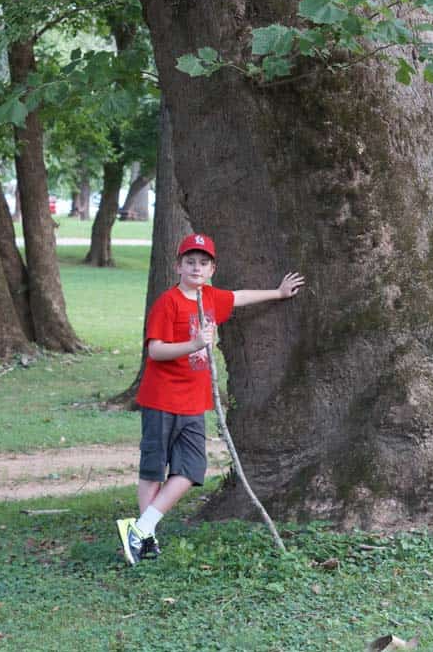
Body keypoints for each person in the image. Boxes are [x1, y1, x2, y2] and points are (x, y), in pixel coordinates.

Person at [116, 232, 304, 565]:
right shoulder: (168, 302)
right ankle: (145, 540)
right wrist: (193, 344)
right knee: (153, 470)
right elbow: (155, 351)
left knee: (190, 469)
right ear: (178, 266)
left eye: (203, 263)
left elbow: (240, 296)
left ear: (212, 269)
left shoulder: (212, 298)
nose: (196, 268)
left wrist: (278, 292)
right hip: (161, 399)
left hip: (192, 401)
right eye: (190, 262)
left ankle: (141, 529)